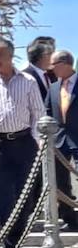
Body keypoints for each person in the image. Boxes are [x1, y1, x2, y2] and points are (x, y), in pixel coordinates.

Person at [0, 37, 46, 248]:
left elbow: (38, 113)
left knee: (24, 193)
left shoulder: (27, 81)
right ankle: (8, 242)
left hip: (24, 142)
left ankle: (16, 236)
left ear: (10, 56)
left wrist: (38, 142)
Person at [47, 48, 78, 230]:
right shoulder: (53, 87)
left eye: (54, 65)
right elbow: (48, 112)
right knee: (60, 181)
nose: (51, 69)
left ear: (66, 64)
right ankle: (70, 219)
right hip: (59, 142)